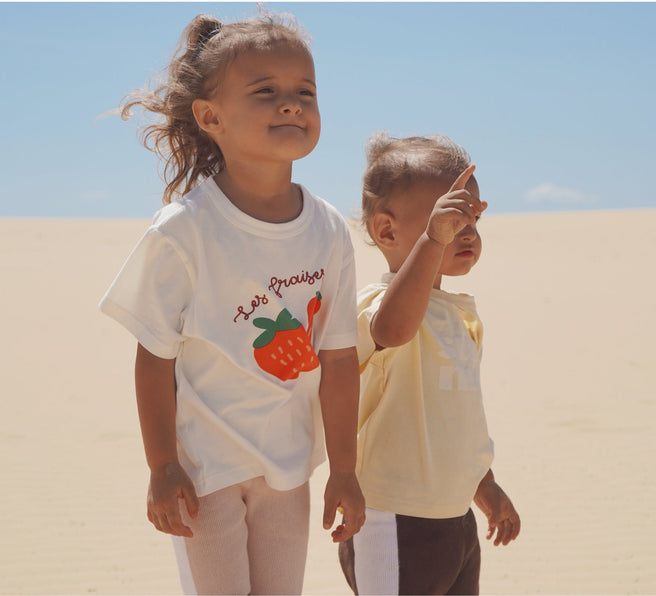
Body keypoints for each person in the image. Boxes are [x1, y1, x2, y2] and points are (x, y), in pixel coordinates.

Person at [102, 10, 365, 594]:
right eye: (265, 91)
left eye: (305, 92)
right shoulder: (183, 231)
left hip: (289, 467)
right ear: (211, 117)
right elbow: (154, 357)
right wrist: (162, 465)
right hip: (205, 471)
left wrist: (345, 469)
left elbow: (340, 358)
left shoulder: (328, 230)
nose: (291, 104)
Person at [339, 133, 521, 594]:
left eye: (472, 218)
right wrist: (432, 241)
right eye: (449, 218)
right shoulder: (378, 304)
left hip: (455, 517)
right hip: (391, 517)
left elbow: (458, 419)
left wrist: (485, 485)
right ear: (386, 231)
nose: (467, 231)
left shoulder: (459, 315)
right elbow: (392, 330)